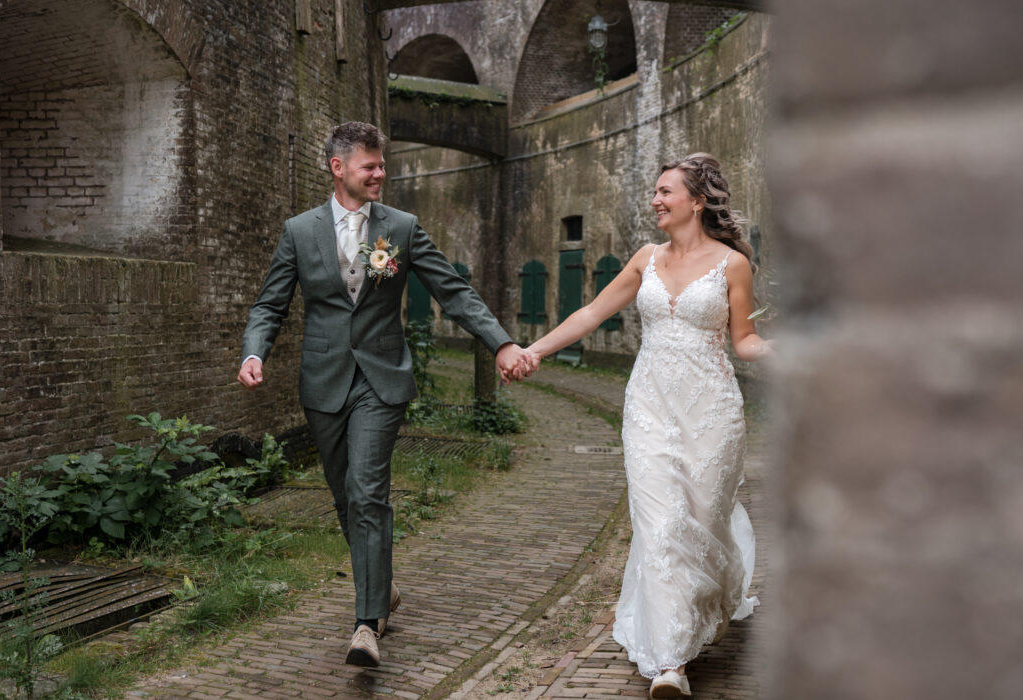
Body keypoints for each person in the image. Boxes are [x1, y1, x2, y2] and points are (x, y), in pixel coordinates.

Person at [238, 122, 532, 668]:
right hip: (324, 384)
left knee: (367, 489)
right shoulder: (299, 232)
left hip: (381, 381)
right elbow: (269, 304)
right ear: (338, 168)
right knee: (346, 498)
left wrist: (501, 343)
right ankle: (383, 587)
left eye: (381, 164)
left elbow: (454, 291)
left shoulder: (401, 227)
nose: (380, 174)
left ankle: (366, 623)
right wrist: (254, 351)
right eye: (369, 166)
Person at [524, 154, 769, 697]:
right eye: (655, 192)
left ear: (697, 201)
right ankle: (670, 662)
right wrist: (533, 350)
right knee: (661, 527)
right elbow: (591, 313)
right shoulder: (646, 258)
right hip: (650, 409)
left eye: (665, 192)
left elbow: (745, 342)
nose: (655, 200)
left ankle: (706, 609)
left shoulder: (732, 265)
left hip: (712, 414)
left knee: (702, 523)